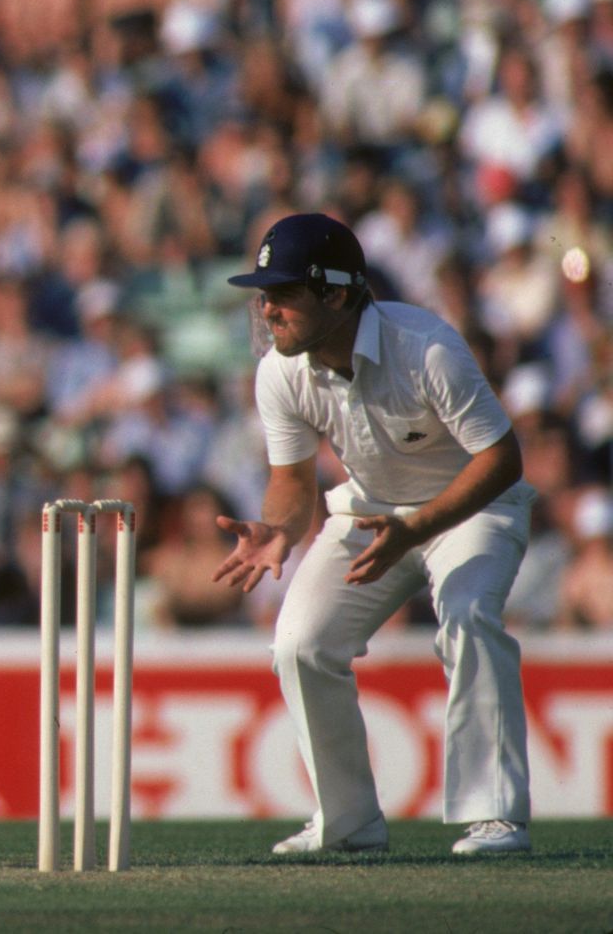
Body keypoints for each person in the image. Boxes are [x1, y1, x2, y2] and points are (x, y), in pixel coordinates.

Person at [214, 213, 535, 856]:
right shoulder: (281, 371)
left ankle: (495, 815)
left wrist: (414, 528)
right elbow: (293, 483)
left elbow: (502, 460)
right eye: (263, 294)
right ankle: (349, 822)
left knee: (469, 615)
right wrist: (278, 527)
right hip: (368, 514)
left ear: (337, 293)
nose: (268, 309)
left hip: (476, 508)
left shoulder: (427, 347)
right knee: (300, 644)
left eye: (283, 293)